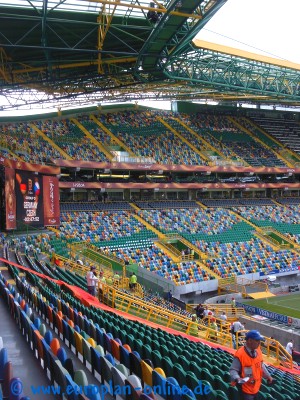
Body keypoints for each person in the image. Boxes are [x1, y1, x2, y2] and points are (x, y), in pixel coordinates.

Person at [229, 330, 273, 400]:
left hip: (256, 388)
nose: (259, 343)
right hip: (245, 390)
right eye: (257, 340)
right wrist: (237, 378)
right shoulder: (240, 354)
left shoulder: (258, 350)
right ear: (249, 341)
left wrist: (268, 376)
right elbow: (233, 370)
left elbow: (261, 365)